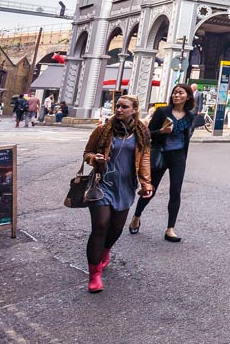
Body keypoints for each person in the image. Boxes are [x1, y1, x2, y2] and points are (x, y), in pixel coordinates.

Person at [82, 94, 153, 292]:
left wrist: (146, 183)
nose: (119, 110)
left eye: (124, 107)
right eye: (118, 106)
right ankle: (94, 275)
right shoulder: (103, 130)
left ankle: (106, 251)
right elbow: (86, 153)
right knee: (100, 225)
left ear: (134, 110)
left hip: (126, 186)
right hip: (102, 184)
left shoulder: (141, 132)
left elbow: (145, 158)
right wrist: (94, 159)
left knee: (115, 229)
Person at [128, 84, 196, 242]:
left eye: (180, 93)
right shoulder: (162, 112)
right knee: (150, 189)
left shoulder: (190, 116)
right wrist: (161, 132)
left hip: (178, 157)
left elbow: (187, 137)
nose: (176, 95)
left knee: (175, 191)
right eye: (174, 93)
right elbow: (147, 134)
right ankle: (136, 216)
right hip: (161, 155)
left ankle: (170, 229)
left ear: (188, 97)